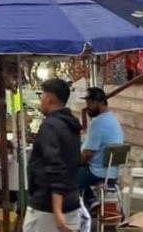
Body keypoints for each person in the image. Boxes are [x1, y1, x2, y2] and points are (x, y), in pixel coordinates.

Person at [24, 79, 82, 232]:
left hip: (48, 207)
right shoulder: (71, 124)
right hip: (71, 201)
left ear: (49, 98)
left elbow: (55, 167)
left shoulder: (50, 126)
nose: (41, 100)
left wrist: (57, 210)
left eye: (41, 96)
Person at [76, 87, 124, 210]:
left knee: (67, 175)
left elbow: (87, 154)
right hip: (111, 171)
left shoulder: (98, 123)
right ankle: (91, 200)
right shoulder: (112, 119)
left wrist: (73, 162)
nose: (88, 107)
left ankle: (89, 202)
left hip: (97, 172)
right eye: (87, 103)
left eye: (91, 103)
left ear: (101, 103)